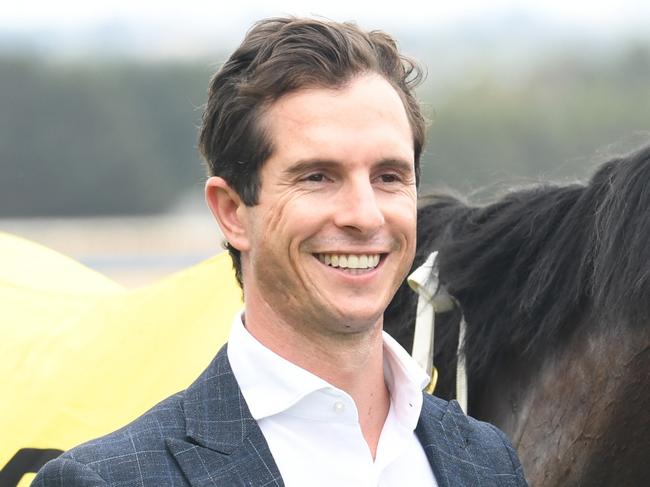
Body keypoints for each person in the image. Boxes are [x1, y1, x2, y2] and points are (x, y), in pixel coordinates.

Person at [33, 17, 527, 486]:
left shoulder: (487, 461)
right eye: (318, 177)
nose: (366, 215)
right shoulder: (109, 480)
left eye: (389, 177)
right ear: (231, 212)